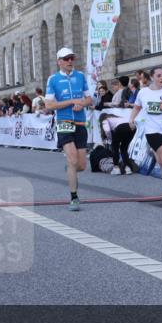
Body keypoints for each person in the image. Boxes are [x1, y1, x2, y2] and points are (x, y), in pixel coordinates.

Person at [44, 47, 93, 211]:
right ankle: (74, 197)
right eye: (66, 59)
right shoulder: (53, 79)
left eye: (72, 58)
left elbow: (89, 99)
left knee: (81, 165)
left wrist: (82, 103)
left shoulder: (80, 76)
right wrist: (71, 102)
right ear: (59, 61)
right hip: (64, 123)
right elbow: (49, 105)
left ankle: (70, 169)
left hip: (80, 123)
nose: (70, 61)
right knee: (72, 159)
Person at [129, 67, 162, 203]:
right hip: (152, 130)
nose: (161, 78)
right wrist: (131, 119)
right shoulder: (143, 92)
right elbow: (137, 107)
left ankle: (154, 151)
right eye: (158, 76)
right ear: (152, 77)